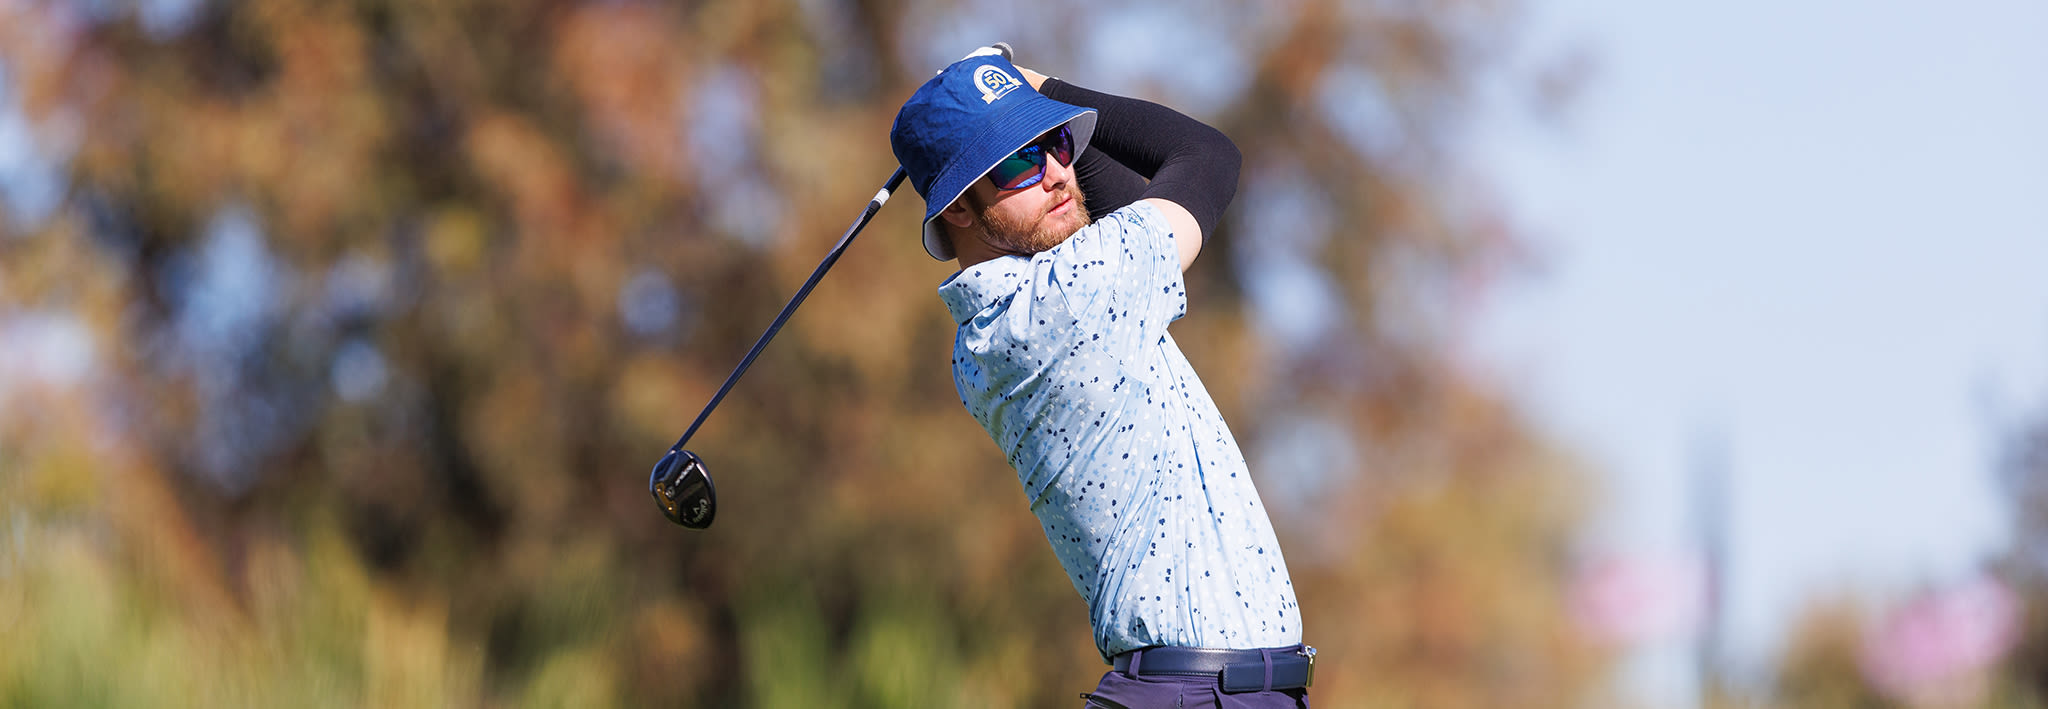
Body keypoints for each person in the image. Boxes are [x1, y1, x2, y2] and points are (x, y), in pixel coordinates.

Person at [891, 47, 1314, 708]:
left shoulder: (987, 337)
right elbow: (1205, 158)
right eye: (1021, 161)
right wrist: (1037, 85)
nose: (1059, 173)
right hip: (1198, 695)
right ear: (960, 210)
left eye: (1058, 142)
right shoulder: (1069, 300)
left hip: (1205, 691)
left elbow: (1120, 213)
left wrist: (1017, 113)